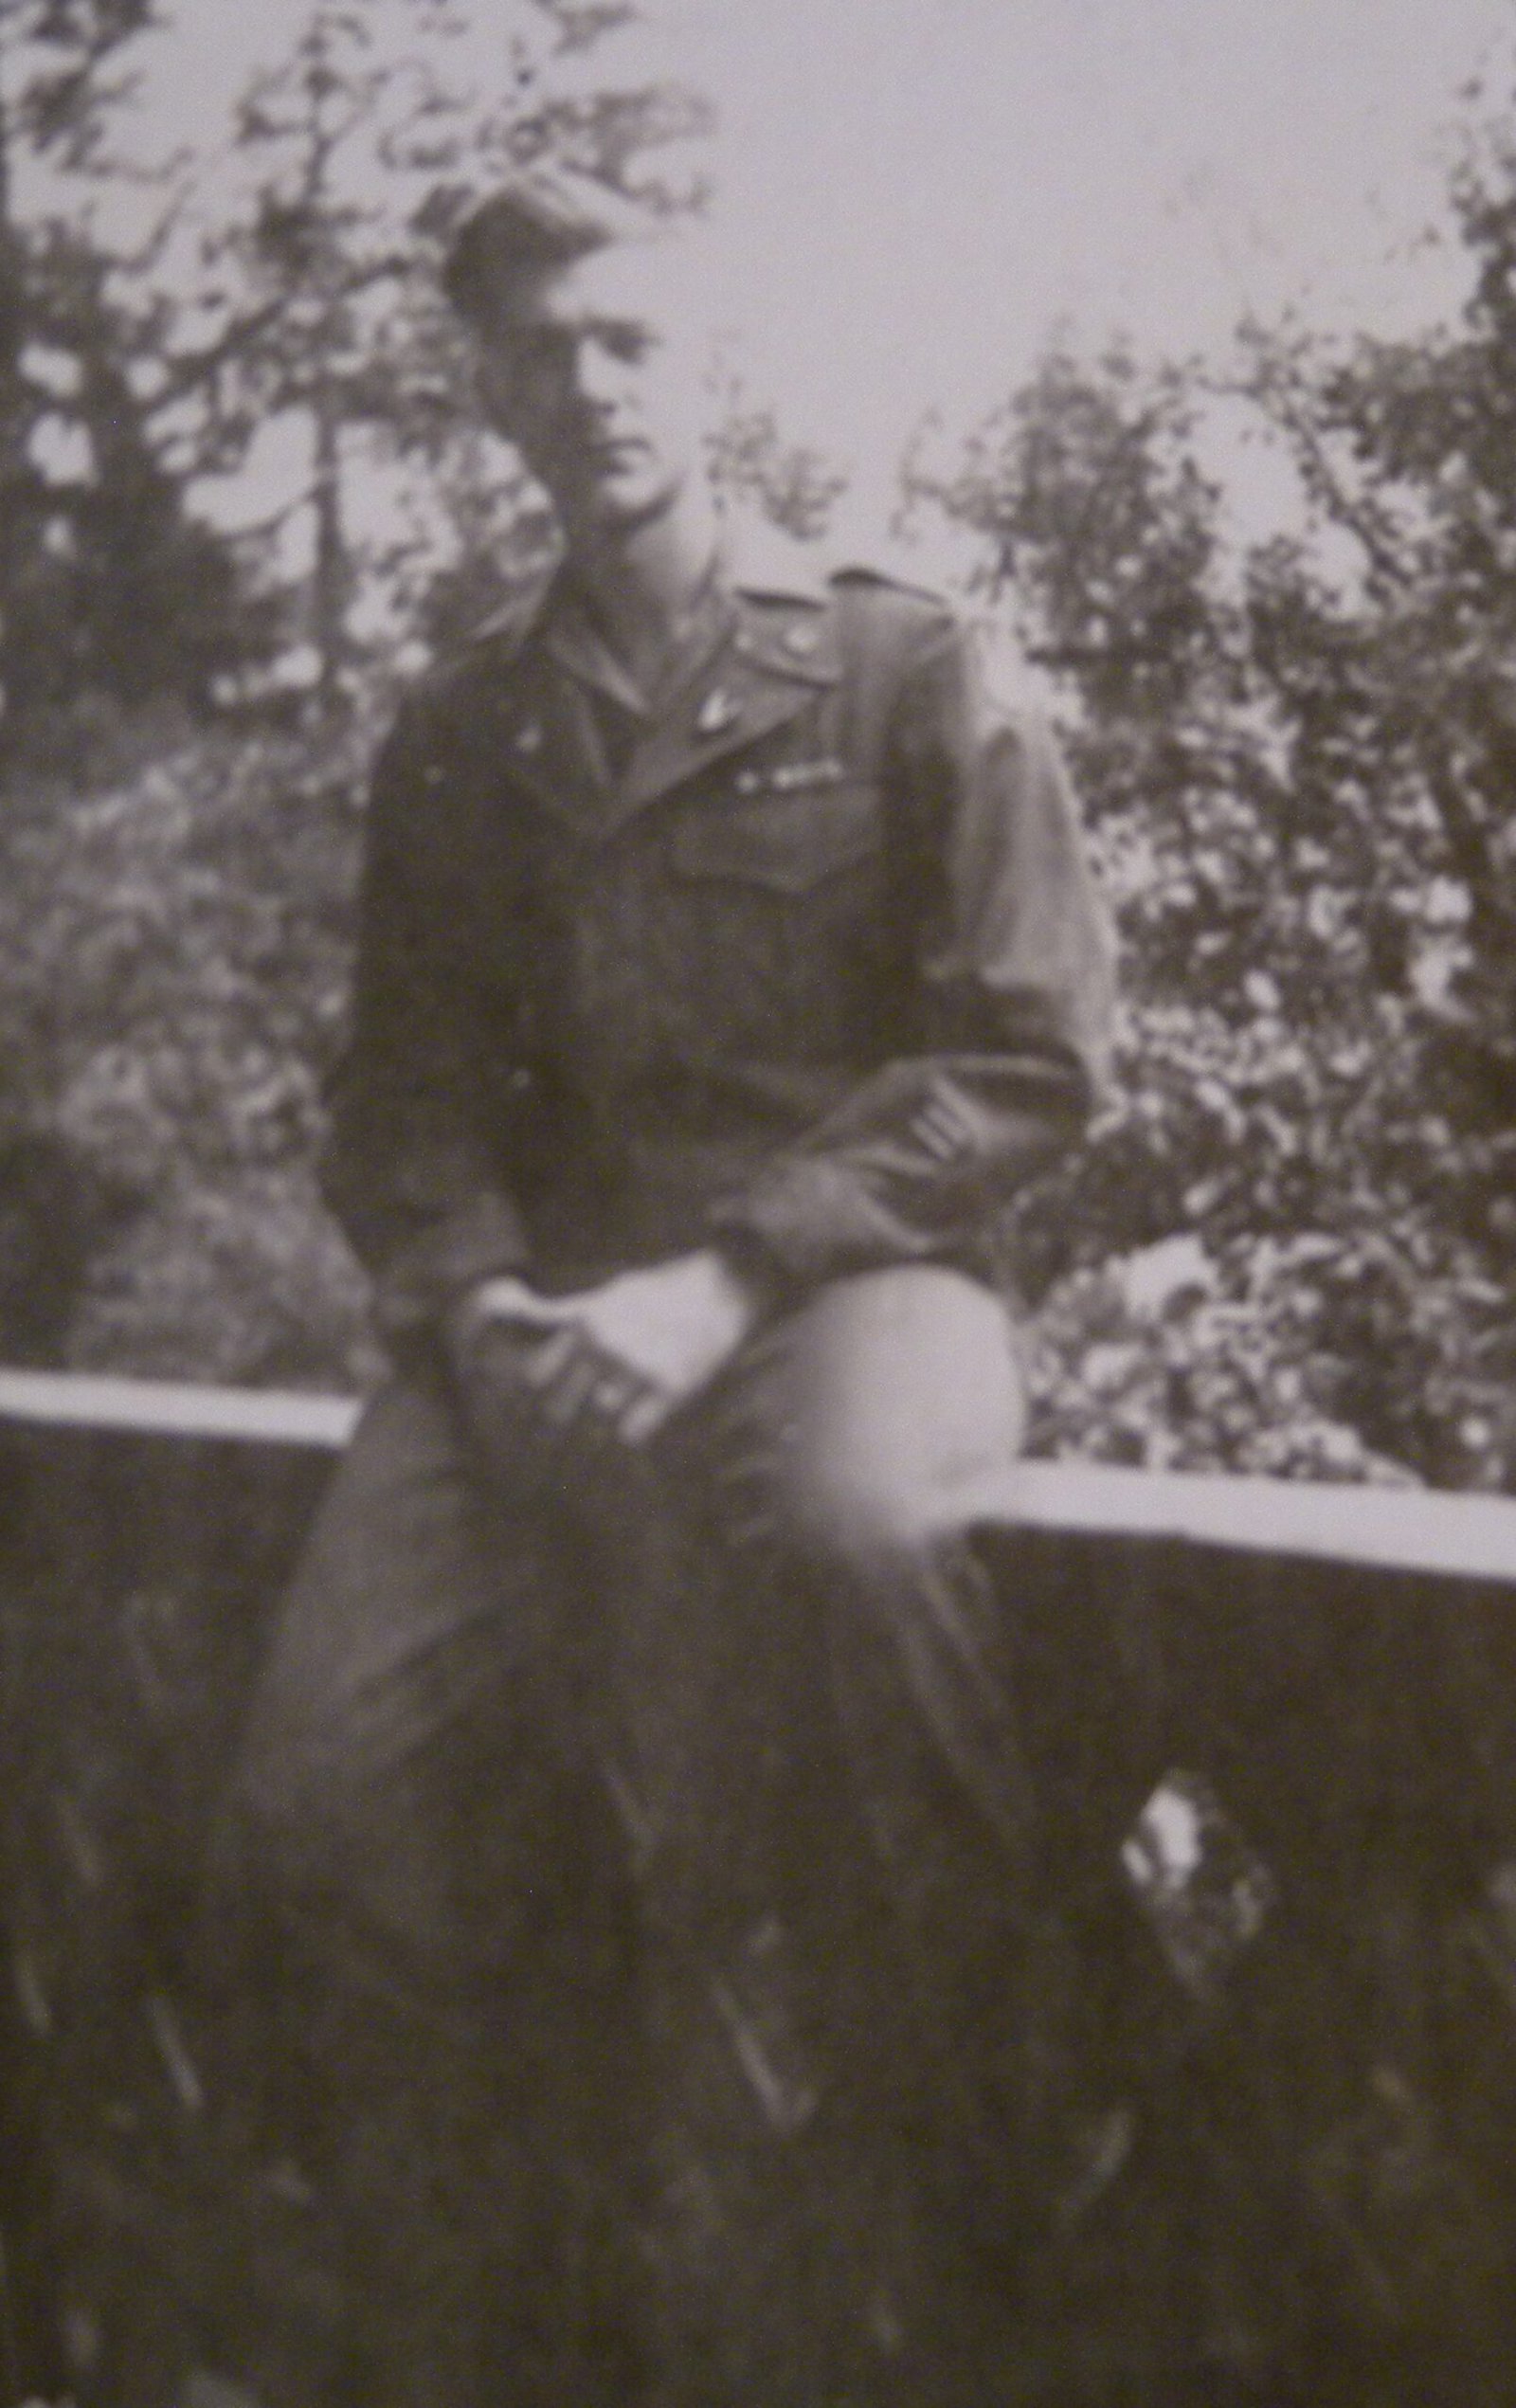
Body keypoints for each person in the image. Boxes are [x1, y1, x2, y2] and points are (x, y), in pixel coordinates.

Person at [202, 171, 1115, 2408]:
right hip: (534, 1336)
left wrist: (726, 1279)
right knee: (321, 1794)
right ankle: (539, 2300)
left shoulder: (904, 661)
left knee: (860, 1543)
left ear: (705, 358)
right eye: (540, 351)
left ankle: (1001, 2217)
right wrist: (483, 1308)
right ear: (487, 393)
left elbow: (1027, 1056)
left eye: (626, 338)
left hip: (848, 1284)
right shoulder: (459, 730)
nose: (590, 385)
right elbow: (398, 1102)